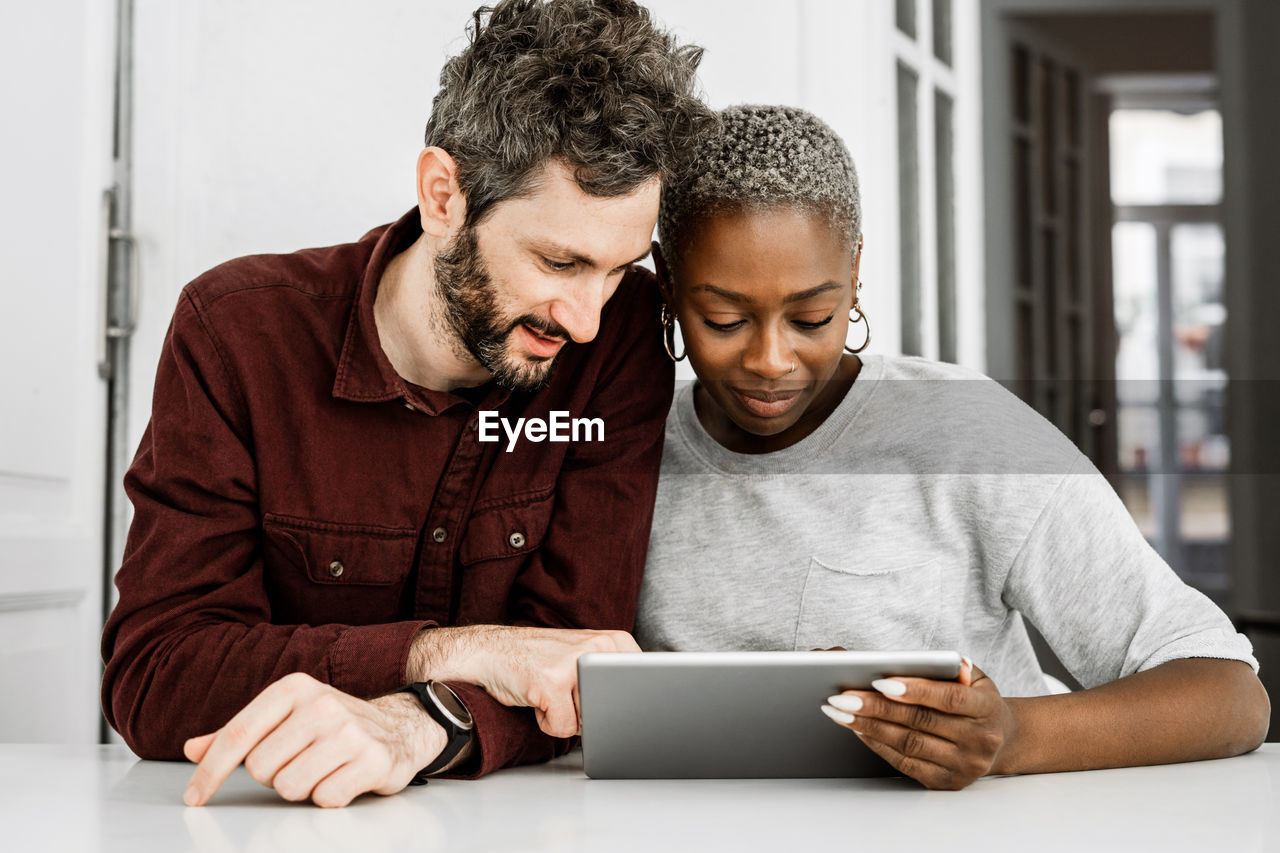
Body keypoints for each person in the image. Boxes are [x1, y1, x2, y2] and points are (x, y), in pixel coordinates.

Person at [101, 0, 715, 808]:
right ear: (443, 195)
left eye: (617, 267)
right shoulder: (236, 335)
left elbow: (574, 673)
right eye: (559, 261)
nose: (587, 316)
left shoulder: (619, 342)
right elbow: (157, 675)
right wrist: (450, 655)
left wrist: (421, 723)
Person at [637, 104, 1270, 790]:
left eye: (811, 317)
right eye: (725, 319)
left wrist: (1014, 735)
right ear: (666, 283)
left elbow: (1231, 694)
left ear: (853, 273)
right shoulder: (620, 453)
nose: (771, 358)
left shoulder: (964, 432)